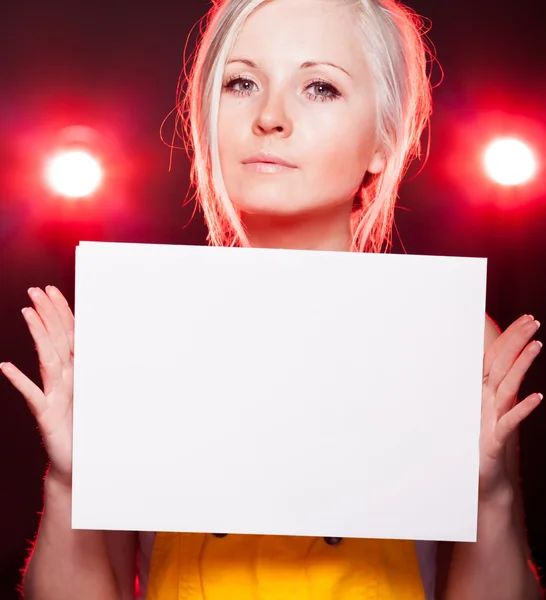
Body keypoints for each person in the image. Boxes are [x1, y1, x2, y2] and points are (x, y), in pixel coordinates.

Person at [1, 0, 543, 598]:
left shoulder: (449, 337)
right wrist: (69, 483)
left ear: (384, 143)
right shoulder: (142, 327)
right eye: (241, 82)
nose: (271, 117)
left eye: (320, 87)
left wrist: (490, 499)